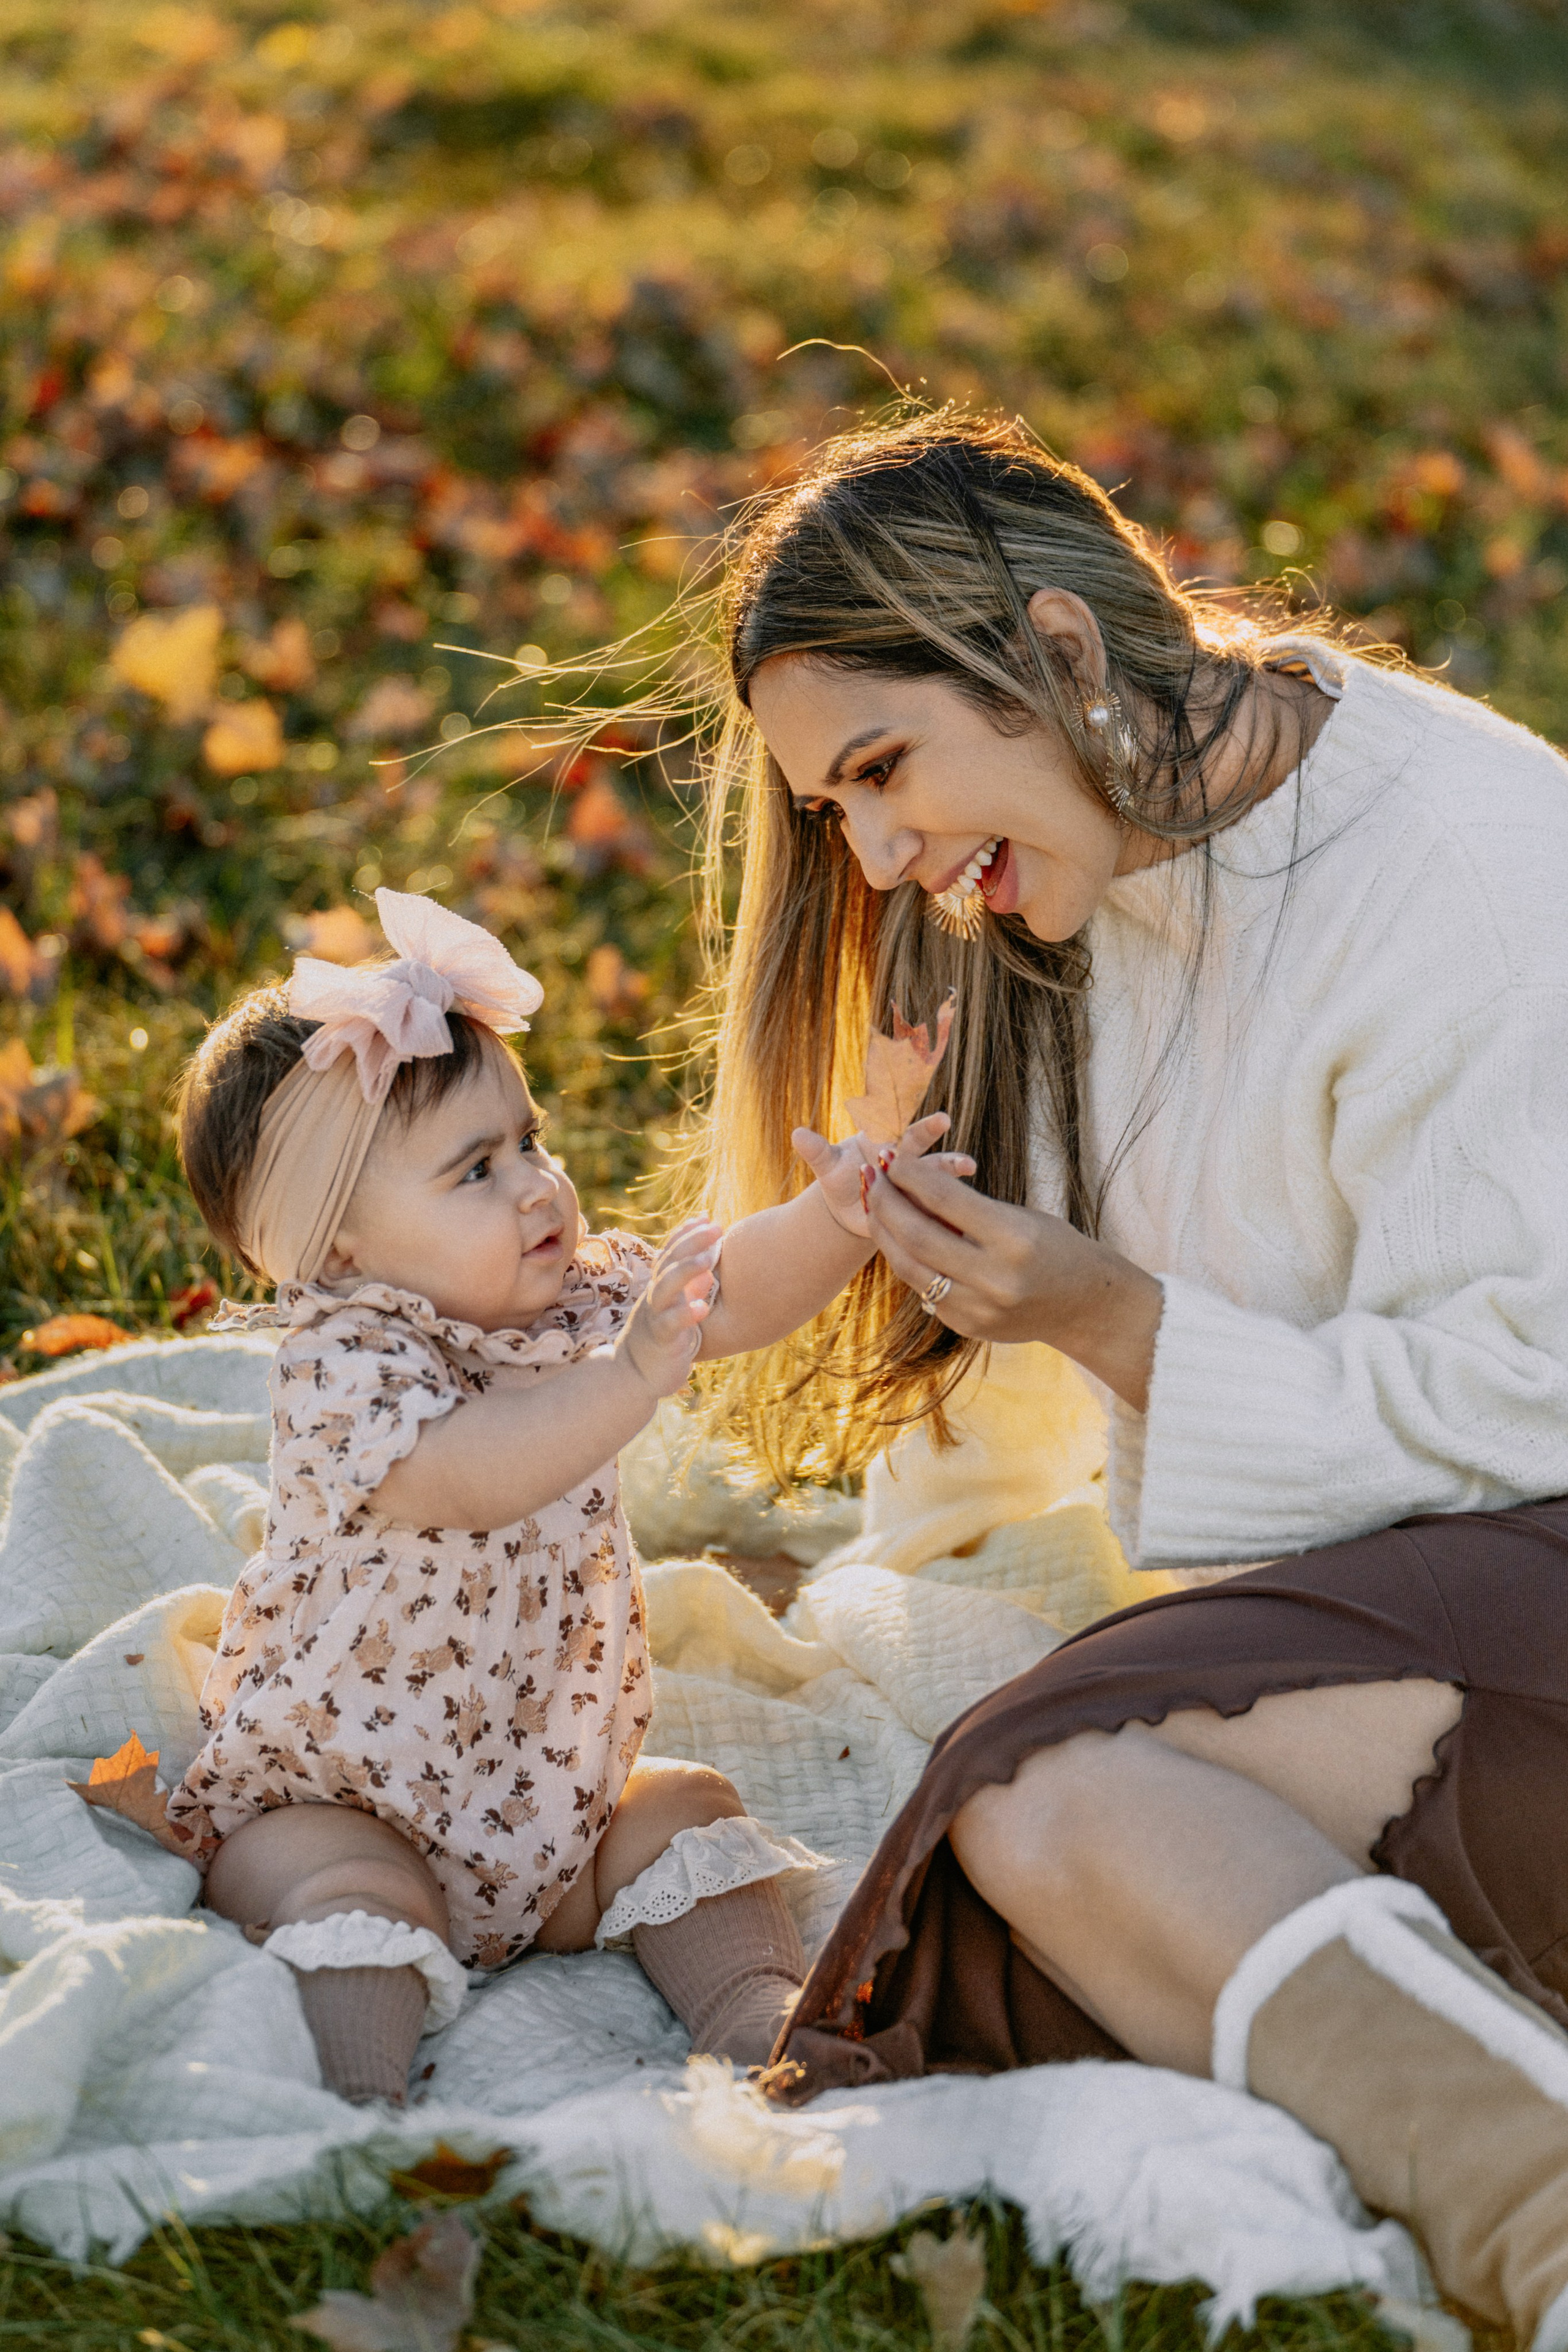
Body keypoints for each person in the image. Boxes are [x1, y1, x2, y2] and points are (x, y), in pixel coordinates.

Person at [688, 412, 1568, 2347]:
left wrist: (1116, 1324)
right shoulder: (1084, 879)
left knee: (1051, 1801)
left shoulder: (1478, 886)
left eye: (885, 770)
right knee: (1034, 1836)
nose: (882, 855)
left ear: (1067, 653)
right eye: (834, 809)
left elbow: (1540, 1400)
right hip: (1446, 1616)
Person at [165, 886, 953, 2105]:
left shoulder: (572, 1296)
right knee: (352, 1897)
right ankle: (355, 2107)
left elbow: (725, 1293)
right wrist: (629, 1373)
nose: (536, 1186)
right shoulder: (341, 1364)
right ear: (335, 1249)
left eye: (528, 1141)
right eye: (474, 1170)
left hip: (544, 1794)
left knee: (687, 1811)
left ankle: (760, 2026)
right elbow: (476, 1469)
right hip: (343, 1790)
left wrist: (840, 1205)